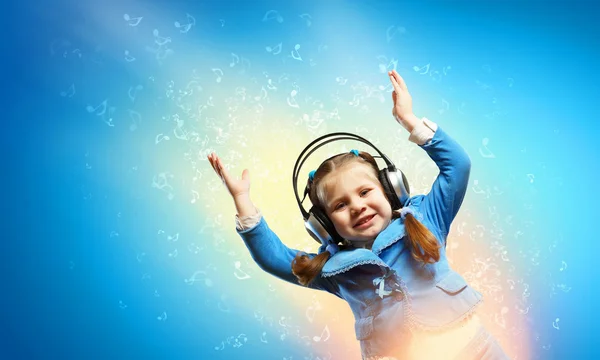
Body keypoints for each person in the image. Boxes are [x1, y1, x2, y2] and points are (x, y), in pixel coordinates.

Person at [207, 70, 509, 360]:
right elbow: (274, 258)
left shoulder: (423, 218)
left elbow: (457, 167)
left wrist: (410, 122)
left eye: (365, 192)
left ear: (391, 190)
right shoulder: (336, 271)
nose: (357, 206)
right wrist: (242, 201)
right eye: (340, 205)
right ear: (323, 226)